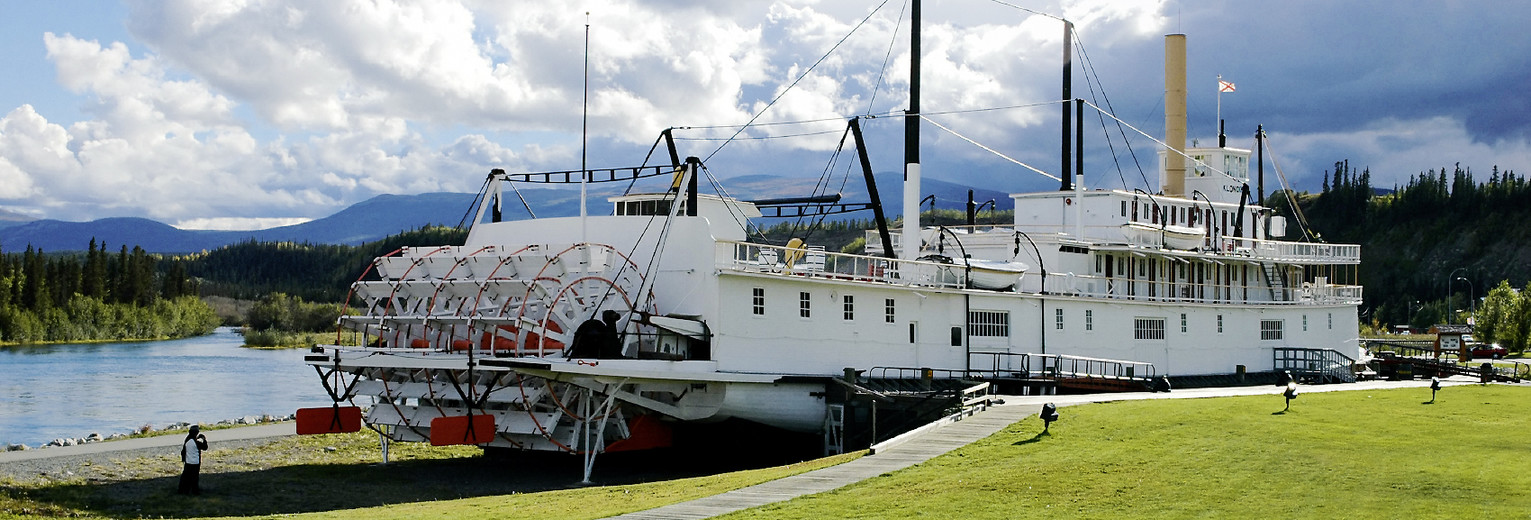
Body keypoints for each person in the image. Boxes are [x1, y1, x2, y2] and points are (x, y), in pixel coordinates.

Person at [178, 425, 208, 495]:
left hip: (188, 462)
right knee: (194, 478)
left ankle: (182, 490)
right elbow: (205, 447)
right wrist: (204, 439)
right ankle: (195, 491)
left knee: (185, 477)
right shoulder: (196, 442)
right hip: (195, 462)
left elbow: (183, 451)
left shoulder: (187, 440)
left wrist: (183, 459)